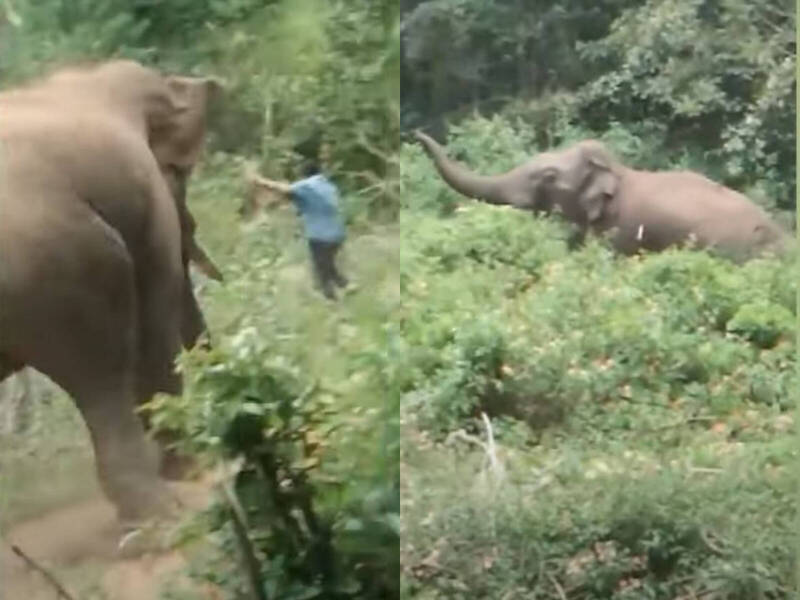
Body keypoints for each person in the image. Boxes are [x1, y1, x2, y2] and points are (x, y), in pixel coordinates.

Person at [249, 157, 349, 300]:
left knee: (321, 271)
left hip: (320, 235)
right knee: (328, 266)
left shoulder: (308, 185)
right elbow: (294, 197)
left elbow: (282, 189)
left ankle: (333, 300)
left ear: (304, 174)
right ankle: (345, 286)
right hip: (337, 233)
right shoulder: (329, 186)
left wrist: (259, 181)